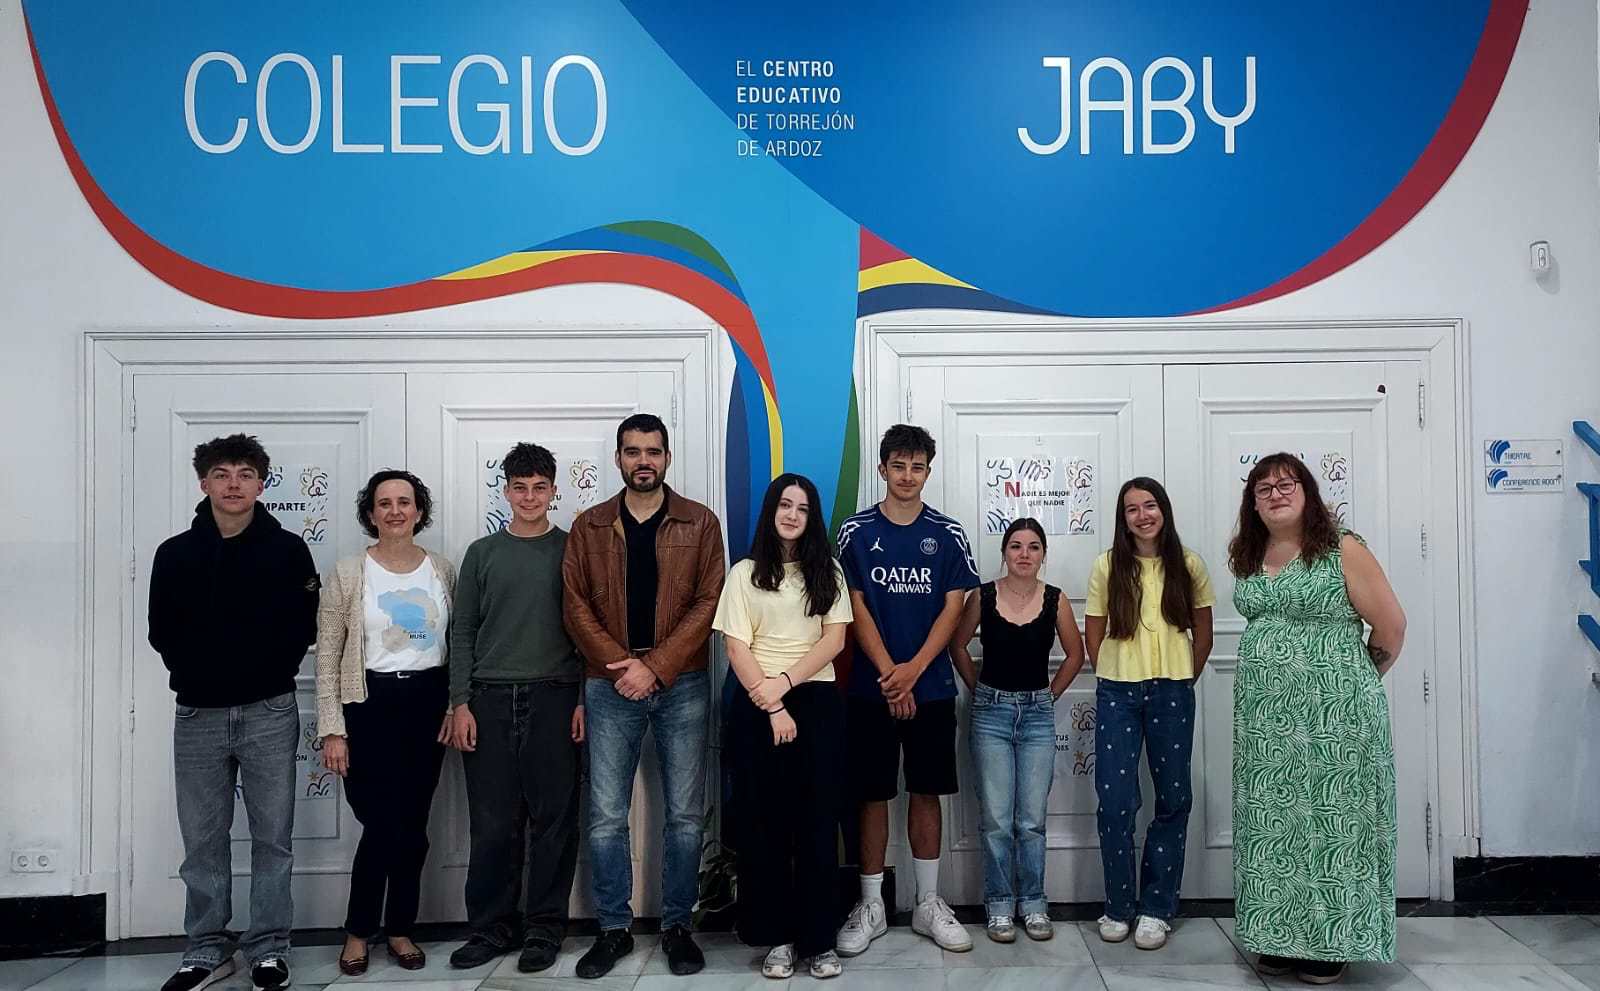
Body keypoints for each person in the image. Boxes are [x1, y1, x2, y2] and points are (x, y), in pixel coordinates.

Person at [148, 434, 318, 991]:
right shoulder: (174, 553)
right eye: (222, 473)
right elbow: (160, 631)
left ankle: (269, 948)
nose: (234, 483)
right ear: (204, 483)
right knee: (203, 840)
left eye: (245, 473)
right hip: (197, 712)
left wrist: (265, 668)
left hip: (269, 707)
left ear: (261, 483)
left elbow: (304, 623)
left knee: (273, 836)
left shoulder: (289, 549)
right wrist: (202, 670)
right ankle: (204, 950)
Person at [1228, 453, 1405, 986]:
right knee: (1274, 825)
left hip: (1336, 719)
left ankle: (1332, 941)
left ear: (1308, 492)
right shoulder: (1250, 553)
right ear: (1252, 502)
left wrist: (1351, 683)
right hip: (1266, 725)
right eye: (1263, 488)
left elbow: (1390, 628)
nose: (1275, 494)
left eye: (1286, 484)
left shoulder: (1342, 548)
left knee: (1332, 824)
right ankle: (1278, 934)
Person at [562, 413, 726, 978]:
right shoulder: (589, 527)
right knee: (607, 816)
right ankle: (612, 930)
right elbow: (575, 606)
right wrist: (623, 667)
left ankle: (678, 926)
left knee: (683, 815)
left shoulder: (700, 523)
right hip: (609, 683)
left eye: (653, 452)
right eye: (632, 452)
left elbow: (709, 603)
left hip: (682, 683)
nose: (643, 461)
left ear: (667, 459)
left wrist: (654, 667)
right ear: (618, 459)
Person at [835, 424, 980, 956]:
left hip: (932, 687)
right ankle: (871, 904)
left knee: (927, 790)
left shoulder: (948, 533)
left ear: (928, 472)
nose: (907, 476)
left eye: (917, 467)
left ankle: (928, 902)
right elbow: (853, 606)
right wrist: (889, 673)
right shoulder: (854, 530)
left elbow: (954, 607)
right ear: (882, 469)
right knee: (871, 793)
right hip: (872, 689)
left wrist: (913, 670)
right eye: (898, 466)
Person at [444, 443, 587, 974]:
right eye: (519, 487)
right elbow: (462, 630)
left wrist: (582, 699)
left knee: (553, 823)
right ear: (504, 491)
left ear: (554, 491)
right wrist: (460, 701)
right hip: (489, 699)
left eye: (539, 488)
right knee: (493, 824)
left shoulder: (573, 550)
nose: (529, 497)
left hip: (555, 697)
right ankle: (489, 927)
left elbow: (588, 631)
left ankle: (544, 929)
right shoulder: (482, 553)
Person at [314, 470, 456, 975]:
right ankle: (358, 931)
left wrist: (452, 705)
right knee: (380, 824)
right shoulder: (349, 572)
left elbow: (457, 645)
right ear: (370, 513)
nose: (395, 511)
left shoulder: (442, 570)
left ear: (420, 511)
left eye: (405, 501)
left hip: (427, 705)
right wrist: (332, 728)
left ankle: (399, 928)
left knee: (413, 827)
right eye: (384, 503)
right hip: (368, 705)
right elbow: (327, 657)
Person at [714, 474, 854, 980]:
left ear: (812, 517)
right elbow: (735, 646)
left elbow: (834, 640)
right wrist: (772, 703)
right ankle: (776, 937)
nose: (793, 514)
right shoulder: (744, 574)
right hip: (757, 706)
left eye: (803, 508)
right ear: (771, 511)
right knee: (766, 827)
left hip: (814, 701)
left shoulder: (829, 572)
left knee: (818, 825)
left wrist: (787, 685)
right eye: (784, 505)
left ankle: (819, 941)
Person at [1083, 477, 1214, 951]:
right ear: (1123, 518)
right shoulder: (1106, 567)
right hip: (1117, 692)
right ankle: (1119, 906)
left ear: (1164, 510)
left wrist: (1181, 678)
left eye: (1150, 505)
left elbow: (1204, 633)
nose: (1142, 515)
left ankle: (1157, 908)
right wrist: (1113, 674)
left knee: (1173, 798)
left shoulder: (1189, 564)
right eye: (1132, 509)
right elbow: (1093, 633)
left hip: (1172, 691)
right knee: (1116, 802)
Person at [949, 517, 1085, 945]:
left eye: (1033, 547)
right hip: (990, 713)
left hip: (1038, 717)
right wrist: (980, 690)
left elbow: (1075, 655)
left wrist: (1049, 695)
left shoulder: (1056, 600)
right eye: (1015, 546)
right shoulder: (982, 596)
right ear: (1004, 553)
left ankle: (1034, 904)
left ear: (1044, 553)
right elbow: (957, 645)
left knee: (1030, 820)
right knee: (995, 821)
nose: (1024, 554)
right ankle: (999, 907)